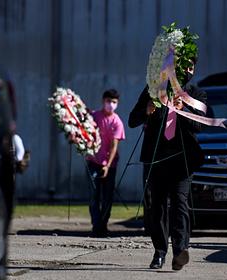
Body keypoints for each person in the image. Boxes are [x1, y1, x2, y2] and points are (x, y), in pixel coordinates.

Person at [128, 60, 206, 270]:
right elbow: (132, 120)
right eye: (184, 66)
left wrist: (182, 110)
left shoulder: (196, 95)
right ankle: (159, 252)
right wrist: (146, 109)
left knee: (180, 203)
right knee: (158, 206)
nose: (187, 71)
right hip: (157, 159)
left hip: (183, 160)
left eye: (191, 68)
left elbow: (199, 125)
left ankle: (180, 251)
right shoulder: (153, 89)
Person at [86, 89, 125, 237]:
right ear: (103, 101)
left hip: (110, 165)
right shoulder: (94, 116)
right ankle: (96, 225)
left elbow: (114, 146)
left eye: (114, 102)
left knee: (108, 196)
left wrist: (107, 166)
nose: (111, 104)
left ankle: (103, 224)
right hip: (93, 161)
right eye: (109, 101)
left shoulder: (117, 122)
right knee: (94, 195)